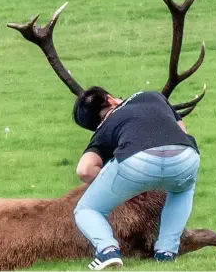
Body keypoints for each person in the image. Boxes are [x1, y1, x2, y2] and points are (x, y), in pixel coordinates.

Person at [73, 86, 200, 270]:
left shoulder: (106, 125)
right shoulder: (153, 96)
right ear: (110, 99)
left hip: (137, 163)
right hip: (185, 156)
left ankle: (107, 250)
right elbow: (182, 132)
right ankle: (166, 251)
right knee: (183, 189)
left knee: (86, 210)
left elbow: (84, 170)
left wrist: (126, 191)